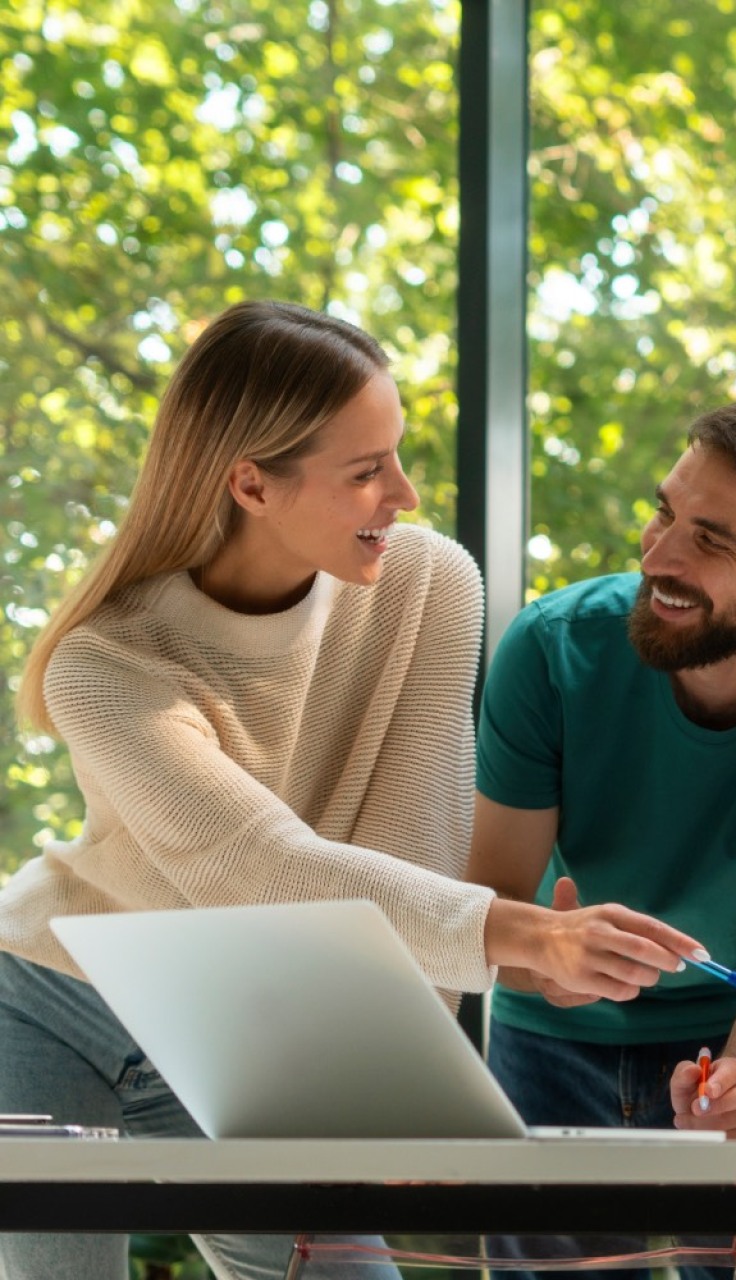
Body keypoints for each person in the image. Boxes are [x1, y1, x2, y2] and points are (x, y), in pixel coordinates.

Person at [0, 301, 698, 1280]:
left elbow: (406, 865)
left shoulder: (427, 586)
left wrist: (494, 982)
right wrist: (527, 933)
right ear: (251, 481)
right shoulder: (104, 662)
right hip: (51, 995)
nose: (404, 493)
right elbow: (259, 864)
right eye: (366, 472)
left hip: (245, 1022)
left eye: (398, 456)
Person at [468, 395, 736, 1278]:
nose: (660, 555)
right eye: (666, 513)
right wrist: (541, 957)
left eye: (714, 539)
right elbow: (490, 902)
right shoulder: (551, 650)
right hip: (549, 1042)